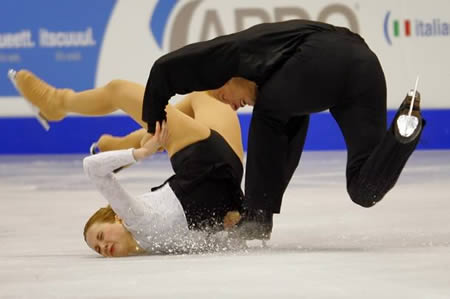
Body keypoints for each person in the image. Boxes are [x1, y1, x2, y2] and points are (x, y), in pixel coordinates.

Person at [140, 19, 425, 240]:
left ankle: (256, 218)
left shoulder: (234, 53)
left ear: (225, 73)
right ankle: (403, 134)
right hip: (365, 69)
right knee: (365, 190)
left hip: (328, 50)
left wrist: (153, 121)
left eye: (221, 94)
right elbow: (282, 152)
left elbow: (164, 67)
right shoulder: (285, 97)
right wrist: (259, 203)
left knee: (269, 112)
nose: (230, 104)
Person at [9, 69, 245, 257]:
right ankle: (122, 144)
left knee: (118, 90)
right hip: (229, 177)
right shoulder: (155, 248)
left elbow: (92, 168)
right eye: (97, 249)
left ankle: (58, 103)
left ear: (117, 217)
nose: (102, 247)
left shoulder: (132, 217)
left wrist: (139, 154)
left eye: (100, 237)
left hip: (204, 159)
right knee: (206, 96)